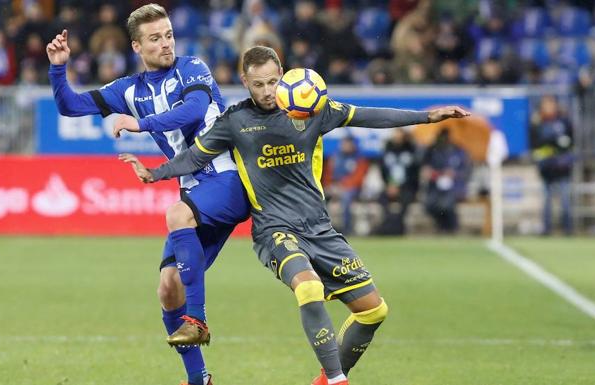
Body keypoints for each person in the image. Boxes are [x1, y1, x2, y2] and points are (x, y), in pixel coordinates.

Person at [119, 46, 470, 385]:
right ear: (245, 82)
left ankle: (326, 377)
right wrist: (156, 172)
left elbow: (368, 115)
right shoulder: (235, 122)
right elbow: (194, 157)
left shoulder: (312, 109)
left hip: (319, 228)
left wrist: (426, 116)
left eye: (273, 81)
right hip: (275, 230)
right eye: (259, 84)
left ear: (283, 77)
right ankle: (336, 379)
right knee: (309, 287)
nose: (268, 91)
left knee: (374, 311)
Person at [46, 4, 250, 385]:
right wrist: (59, 68)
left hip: (227, 180)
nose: (166, 44)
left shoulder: (193, 68)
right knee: (168, 289)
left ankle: (198, 320)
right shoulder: (129, 90)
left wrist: (139, 124)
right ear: (137, 47)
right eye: (155, 39)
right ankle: (198, 379)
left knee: (176, 215)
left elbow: (193, 111)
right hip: (194, 191)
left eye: (169, 34)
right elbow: (69, 105)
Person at [530, 95, 574, 235]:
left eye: (551, 104)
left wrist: (561, 144)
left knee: (566, 201)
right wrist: (553, 140)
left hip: (562, 168)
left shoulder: (563, 121)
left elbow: (570, 141)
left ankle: (568, 230)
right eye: (546, 104)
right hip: (547, 168)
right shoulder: (538, 122)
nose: (549, 107)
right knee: (547, 201)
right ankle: (547, 230)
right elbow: (536, 143)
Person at [422, 128, 471, 233]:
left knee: (446, 205)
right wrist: (430, 172)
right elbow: (425, 167)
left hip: (454, 186)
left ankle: (452, 227)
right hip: (435, 186)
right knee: (429, 204)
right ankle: (441, 225)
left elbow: (466, 170)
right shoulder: (431, 151)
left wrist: (455, 174)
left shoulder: (459, 151)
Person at [377, 129, 420, 235]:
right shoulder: (387, 150)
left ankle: (399, 228)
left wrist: (400, 186)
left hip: (407, 187)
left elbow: (414, 173)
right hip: (390, 186)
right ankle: (387, 226)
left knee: (405, 202)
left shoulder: (411, 150)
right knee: (382, 199)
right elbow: (383, 170)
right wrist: (390, 185)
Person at [323, 136, 369, 235]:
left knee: (346, 198)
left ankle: (346, 229)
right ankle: (322, 228)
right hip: (334, 187)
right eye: (344, 144)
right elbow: (328, 175)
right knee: (320, 197)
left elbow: (358, 178)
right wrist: (331, 186)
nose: (345, 146)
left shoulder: (359, 158)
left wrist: (343, 186)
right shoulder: (335, 157)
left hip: (352, 189)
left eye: (347, 144)